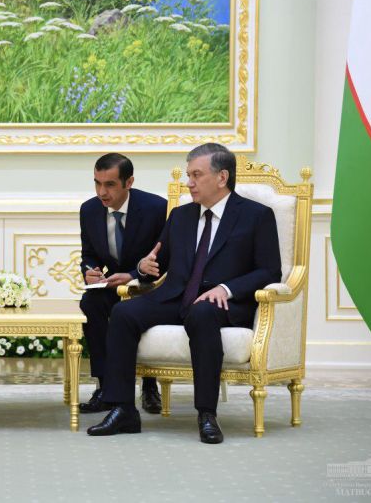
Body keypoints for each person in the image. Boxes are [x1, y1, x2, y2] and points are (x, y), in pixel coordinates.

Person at [87, 143, 281, 443]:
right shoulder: (180, 215)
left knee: (202, 313)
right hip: (176, 297)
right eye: (189, 175)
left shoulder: (256, 215)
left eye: (196, 175)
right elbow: (158, 263)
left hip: (221, 304)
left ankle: (206, 414)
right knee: (123, 312)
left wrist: (226, 288)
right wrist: (142, 268)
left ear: (222, 177)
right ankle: (123, 409)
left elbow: (269, 271)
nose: (189, 182)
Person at [78, 153, 167, 415]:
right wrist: (90, 271)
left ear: (129, 182)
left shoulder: (156, 208)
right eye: (97, 183)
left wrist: (133, 275)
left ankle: (149, 386)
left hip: (150, 285)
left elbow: (165, 258)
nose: (101, 192)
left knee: (136, 310)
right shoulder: (89, 210)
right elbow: (89, 254)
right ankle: (105, 386)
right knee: (91, 303)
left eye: (110, 185)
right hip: (112, 285)